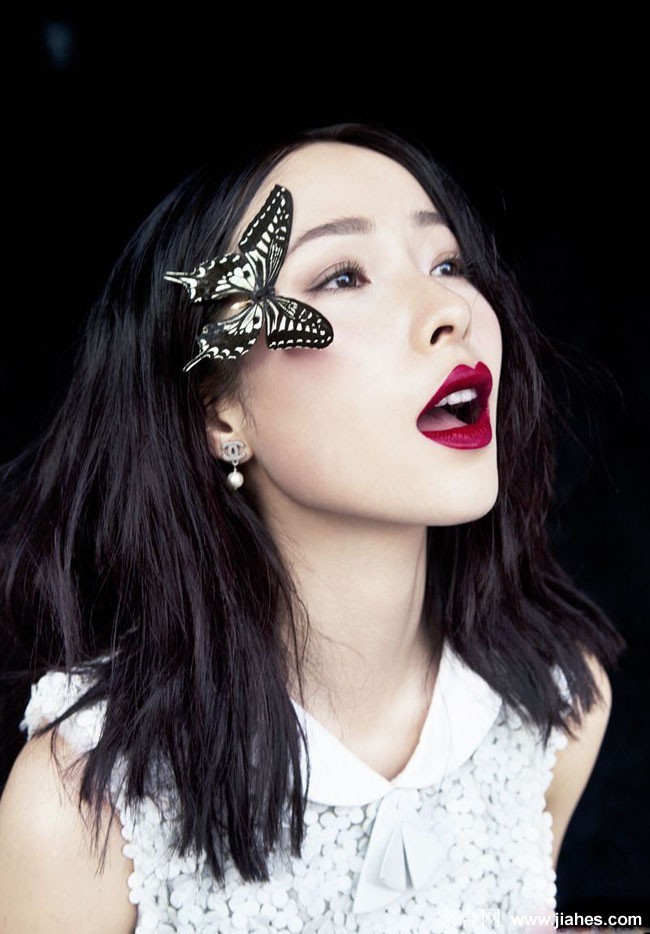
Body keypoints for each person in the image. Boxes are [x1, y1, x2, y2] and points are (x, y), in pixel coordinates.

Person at [0, 123, 624, 933]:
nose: (450, 311)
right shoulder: (85, 806)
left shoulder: (556, 711)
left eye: (447, 264)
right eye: (342, 275)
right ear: (219, 414)